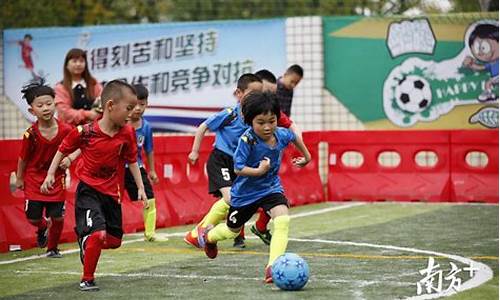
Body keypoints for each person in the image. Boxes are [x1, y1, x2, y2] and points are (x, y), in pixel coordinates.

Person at [41, 80, 147, 291]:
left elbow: (132, 160)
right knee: (98, 235)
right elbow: (62, 149)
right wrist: (51, 173)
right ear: (110, 106)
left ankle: (86, 240)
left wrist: (141, 187)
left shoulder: (127, 133)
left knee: (114, 241)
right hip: (88, 190)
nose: (133, 112)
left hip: (112, 193)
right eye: (128, 108)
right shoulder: (85, 131)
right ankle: (87, 278)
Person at [197, 91, 311, 284]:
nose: (267, 127)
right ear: (250, 122)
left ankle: (272, 267)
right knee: (231, 231)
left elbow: (294, 138)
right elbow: (238, 168)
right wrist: (259, 171)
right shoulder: (247, 140)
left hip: (270, 189)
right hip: (244, 195)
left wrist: (307, 157)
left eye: (272, 121)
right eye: (261, 122)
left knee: (282, 219)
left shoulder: (281, 134)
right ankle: (208, 236)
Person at [184, 74, 263, 249]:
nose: (256, 98)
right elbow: (203, 126)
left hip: (239, 164)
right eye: (252, 93)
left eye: (260, 93)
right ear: (238, 93)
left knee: (240, 199)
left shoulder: (255, 120)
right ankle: (198, 232)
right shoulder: (229, 114)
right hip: (220, 160)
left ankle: (238, 237)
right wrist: (195, 151)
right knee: (231, 198)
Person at [15, 80, 73, 258]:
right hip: (34, 180)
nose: (46, 108)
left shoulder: (66, 130)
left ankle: (53, 248)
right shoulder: (30, 134)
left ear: (55, 105)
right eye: (40, 105)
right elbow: (23, 159)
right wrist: (19, 178)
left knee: (58, 217)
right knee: (33, 217)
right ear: (32, 110)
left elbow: (81, 145)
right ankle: (42, 228)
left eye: (49, 104)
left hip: (57, 179)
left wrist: (70, 158)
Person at [125, 84, 159, 241]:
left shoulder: (146, 127)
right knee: (111, 200)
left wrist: (151, 170)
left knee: (149, 197)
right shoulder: (121, 123)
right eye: (134, 104)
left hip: (136, 168)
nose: (138, 108)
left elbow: (149, 150)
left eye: (142, 104)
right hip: (117, 169)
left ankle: (150, 233)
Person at [55, 48, 103, 126]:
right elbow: (64, 113)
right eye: (74, 61)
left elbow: (103, 101)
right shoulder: (60, 87)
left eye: (81, 61)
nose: (78, 64)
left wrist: (97, 113)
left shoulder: (94, 83)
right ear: (66, 65)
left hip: (95, 129)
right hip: (71, 131)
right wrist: (87, 114)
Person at [462, 23, 499, 102]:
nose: (481, 52)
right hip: (496, 77)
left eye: (484, 47)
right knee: (488, 83)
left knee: (488, 83)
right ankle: (490, 94)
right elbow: (480, 67)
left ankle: (489, 93)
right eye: (478, 48)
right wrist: (470, 65)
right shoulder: (491, 63)